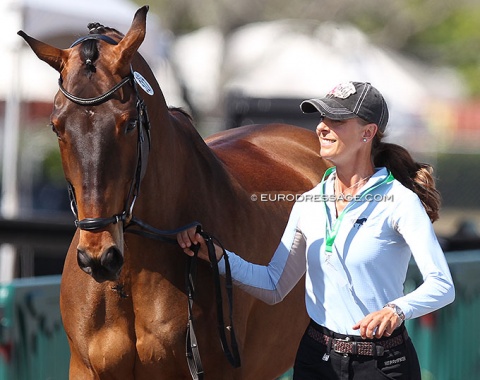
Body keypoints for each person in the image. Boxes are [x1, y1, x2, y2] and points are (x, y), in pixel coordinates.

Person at [177, 81, 455, 380]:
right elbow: (273, 285)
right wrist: (218, 256)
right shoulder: (308, 202)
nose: (322, 127)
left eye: (336, 120)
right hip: (316, 361)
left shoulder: (399, 202)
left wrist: (397, 310)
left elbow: (442, 285)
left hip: (383, 365)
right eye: (322, 118)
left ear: (368, 132)